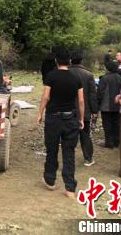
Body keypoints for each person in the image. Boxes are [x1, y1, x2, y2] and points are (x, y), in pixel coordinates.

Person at [37, 49, 84, 198]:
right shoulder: (76, 78)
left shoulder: (51, 76)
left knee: (51, 149)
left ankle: (50, 180)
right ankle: (70, 188)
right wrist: (81, 119)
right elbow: (81, 100)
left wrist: (40, 113)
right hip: (71, 119)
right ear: (69, 61)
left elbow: (46, 97)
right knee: (69, 152)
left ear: (56, 61)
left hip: (53, 118)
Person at [69, 51, 98, 167]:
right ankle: (88, 158)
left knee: (69, 135)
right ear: (82, 60)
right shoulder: (88, 75)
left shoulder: (66, 73)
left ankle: (69, 158)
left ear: (71, 60)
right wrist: (95, 111)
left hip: (68, 109)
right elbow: (92, 95)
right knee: (85, 135)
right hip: (84, 110)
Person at [97, 62, 121, 149]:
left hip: (106, 106)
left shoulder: (104, 78)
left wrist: (98, 104)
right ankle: (117, 141)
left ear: (108, 69)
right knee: (117, 124)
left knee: (107, 125)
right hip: (118, 105)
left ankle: (109, 142)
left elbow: (100, 92)